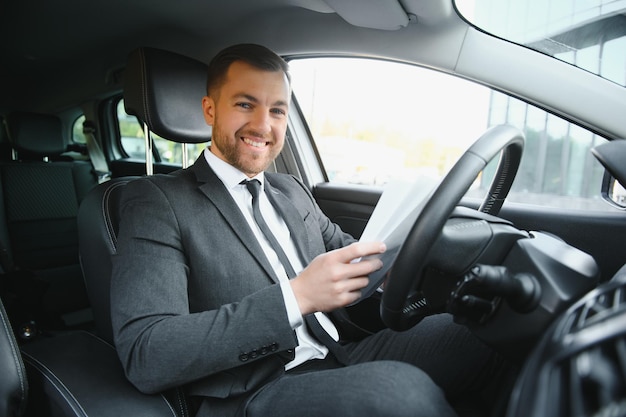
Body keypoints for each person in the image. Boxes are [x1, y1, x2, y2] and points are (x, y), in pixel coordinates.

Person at [111, 43, 507, 417]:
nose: (264, 125)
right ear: (210, 109)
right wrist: (296, 297)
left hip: (341, 351)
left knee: (489, 325)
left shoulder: (291, 190)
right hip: (253, 392)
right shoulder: (156, 201)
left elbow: (349, 251)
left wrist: (399, 259)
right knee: (399, 391)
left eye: (278, 110)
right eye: (245, 104)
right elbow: (147, 353)